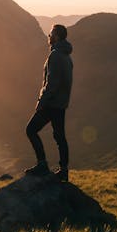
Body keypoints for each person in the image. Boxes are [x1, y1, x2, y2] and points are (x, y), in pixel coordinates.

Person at [25, 24, 73, 181]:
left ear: (56, 36)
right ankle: (64, 170)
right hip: (60, 104)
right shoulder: (67, 56)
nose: (48, 36)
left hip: (51, 103)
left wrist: (41, 101)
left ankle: (42, 164)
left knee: (31, 130)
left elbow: (51, 83)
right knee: (60, 137)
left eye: (50, 34)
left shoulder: (55, 55)